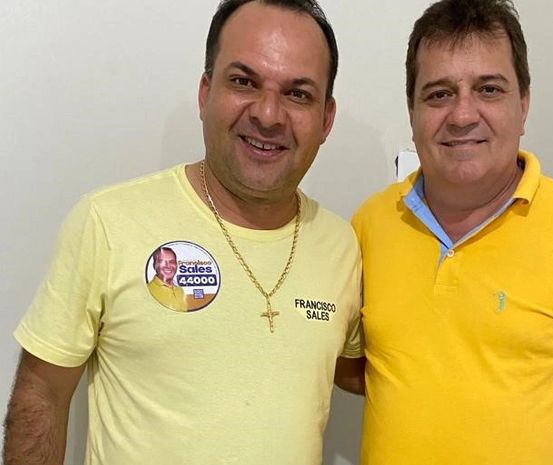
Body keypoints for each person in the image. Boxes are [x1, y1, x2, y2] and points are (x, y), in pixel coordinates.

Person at [3, 1, 362, 464]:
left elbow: (375, 370)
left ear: (326, 119)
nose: (269, 114)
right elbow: (42, 396)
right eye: (244, 82)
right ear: (205, 93)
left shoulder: (342, 246)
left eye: (298, 94)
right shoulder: (108, 222)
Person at [340, 0, 553, 464]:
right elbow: (354, 367)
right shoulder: (369, 225)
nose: (462, 115)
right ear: (411, 111)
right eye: (439, 94)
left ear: (523, 105)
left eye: (488, 89)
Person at [147, 246, 188, 312]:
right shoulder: (148, 290)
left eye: (172, 262)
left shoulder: (180, 290)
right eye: (162, 261)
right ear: (154, 265)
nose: (168, 266)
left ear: (176, 265)